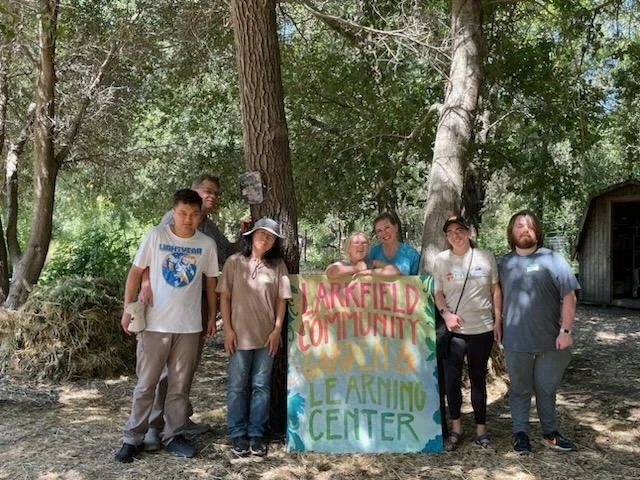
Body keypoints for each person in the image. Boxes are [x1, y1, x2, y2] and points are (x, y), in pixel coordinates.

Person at [141, 174, 249, 449]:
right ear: (193, 190)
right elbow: (153, 254)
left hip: (196, 304)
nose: (212, 196)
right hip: (166, 305)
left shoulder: (208, 228)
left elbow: (226, 255)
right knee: (163, 371)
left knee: (183, 368)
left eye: (216, 193)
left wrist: (243, 232)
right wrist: (144, 283)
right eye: (207, 191)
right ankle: (154, 426)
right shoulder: (172, 218)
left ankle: (178, 420)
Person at [114, 189, 219, 463]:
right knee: (146, 384)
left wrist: (211, 317)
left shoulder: (206, 244)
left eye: (194, 214)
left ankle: (175, 436)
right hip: (155, 324)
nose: (188, 219)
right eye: (183, 213)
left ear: (200, 216)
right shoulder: (156, 236)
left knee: (179, 386)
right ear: (173, 212)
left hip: (189, 326)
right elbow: (135, 272)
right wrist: (128, 308)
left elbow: (210, 283)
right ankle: (131, 438)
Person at [499, 209, 580, 455]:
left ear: (537, 232)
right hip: (515, 341)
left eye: (530, 226)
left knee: (546, 389)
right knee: (520, 390)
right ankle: (520, 434)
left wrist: (565, 330)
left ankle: (550, 432)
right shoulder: (503, 263)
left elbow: (569, 295)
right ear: (511, 233)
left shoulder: (553, 259)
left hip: (550, 342)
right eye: (519, 226)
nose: (525, 230)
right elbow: (493, 296)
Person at [217, 217, 291, 457]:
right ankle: (237, 433)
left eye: (271, 236)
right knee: (237, 386)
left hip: (267, 337)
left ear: (274, 242)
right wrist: (227, 329)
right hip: (238, 336)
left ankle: (257, 434)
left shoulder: (278, 265)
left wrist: (277, 330)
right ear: (251, 235)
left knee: (262, 386)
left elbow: (282, 300)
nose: (265, 238)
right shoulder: (234, 262)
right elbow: (224, 298)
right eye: (261, 233)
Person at [433, 215, 501, 451]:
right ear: (446, 237)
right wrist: (446, 315)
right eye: (449, 232)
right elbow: (438, 293)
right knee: (452, 382)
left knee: (478, 379)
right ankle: (456, 429)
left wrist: (498, 319)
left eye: (459, 230)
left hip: (482, 328)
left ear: (468, 231)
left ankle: (481, 431)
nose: (455, 235)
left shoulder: (485, 256)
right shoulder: (441, 260)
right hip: (455, 332)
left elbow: (495, 290)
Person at [325, 231, 400, 279]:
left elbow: (395, 271)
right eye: (356, 243)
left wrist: (368, 272)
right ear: (349, 248)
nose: (361, 246)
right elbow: (330, 272)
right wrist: (356, 268)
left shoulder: (372, 264)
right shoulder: (343, 264)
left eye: (364, 243)